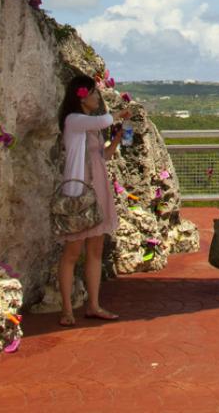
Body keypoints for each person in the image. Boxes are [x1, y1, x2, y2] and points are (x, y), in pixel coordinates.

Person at [56, 73, 131, 326]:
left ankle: (94, 304)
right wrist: (120, 115)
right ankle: (67, 309)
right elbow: (104, 120)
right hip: (80, 190)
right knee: (73, 250)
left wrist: (117, 140)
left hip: (97, 188)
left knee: (95, 249)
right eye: (94, 93)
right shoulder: (74, 120)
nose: (98, 97)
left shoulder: (87, 124)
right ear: (82, 96)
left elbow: (104, 156)